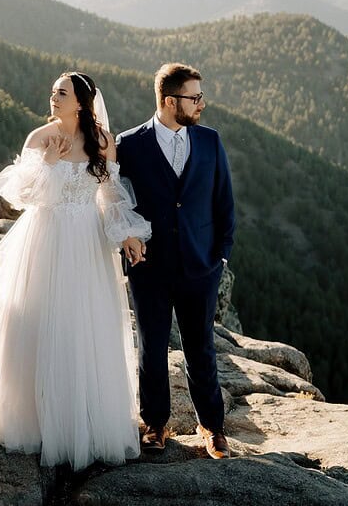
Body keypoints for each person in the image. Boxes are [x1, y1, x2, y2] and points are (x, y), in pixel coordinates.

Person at [0, 71, 151, 470]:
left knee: (81, 324)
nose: (53, 97)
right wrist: (48, 165)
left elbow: (110, 196)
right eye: (53, 90)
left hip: (86, 241)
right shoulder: (40, 137)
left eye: (62, 92)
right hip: (45, 236)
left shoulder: (103, 142)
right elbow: (19, 196)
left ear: (81, 102)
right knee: (39, 322)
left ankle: (82, 417)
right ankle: (35, 419)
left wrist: (127, 235)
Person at [116, 62, 235, 459]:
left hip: (201, 265)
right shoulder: (129, 144)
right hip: (149, 267)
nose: (202, 103)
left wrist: (221, 254)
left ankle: (212, 428)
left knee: (201, 346)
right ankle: (155, 424)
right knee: (152, 347)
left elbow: (224, 201)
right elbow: (113, 199)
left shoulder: (210, 140)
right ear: (170, 101)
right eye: (194, 97)